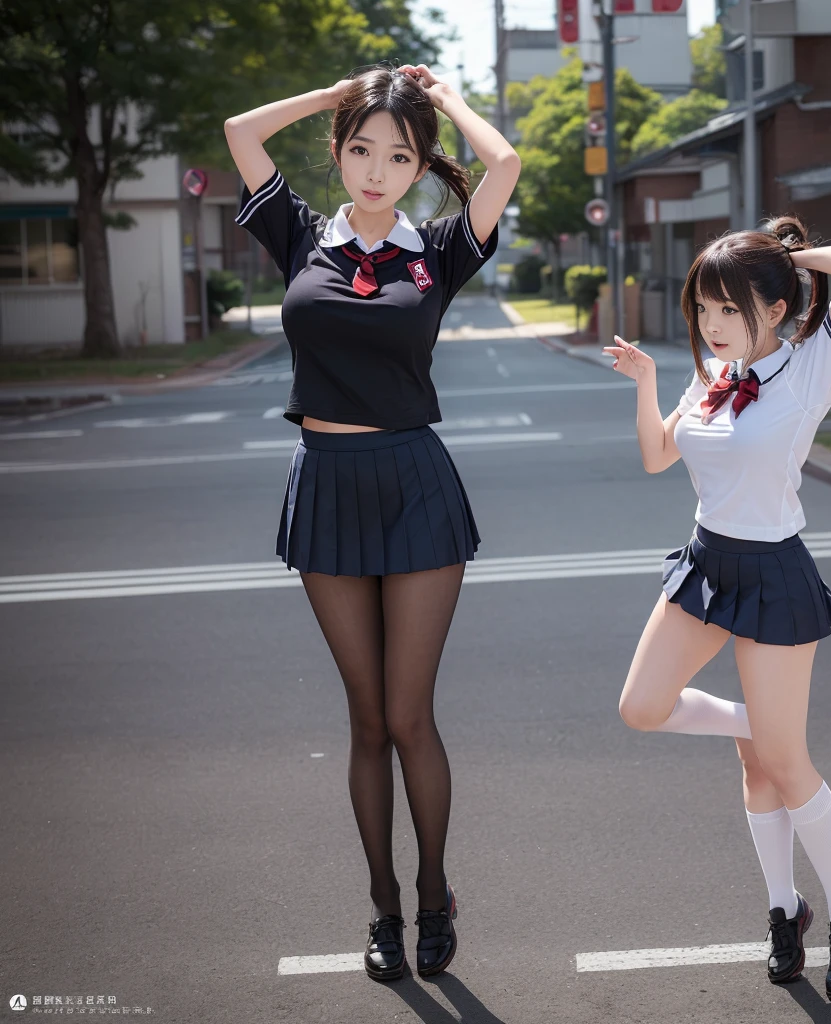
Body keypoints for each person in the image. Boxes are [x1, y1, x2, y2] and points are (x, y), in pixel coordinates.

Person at [224, 64, 520, 982]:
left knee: (407, 715)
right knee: (364, 723)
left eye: (399, 155)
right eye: (361, 150)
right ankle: (383, 907)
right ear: (341, 153)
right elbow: (240, 130)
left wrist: (441, 103)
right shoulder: (302, 234)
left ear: (420, 164)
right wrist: (333, 93)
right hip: (328, 484)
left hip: (414, 483)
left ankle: (435, 894)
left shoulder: (437, 246)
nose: (376, 170)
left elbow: (504, 163)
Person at [603, 217, 831, 1002]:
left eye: (728, 308)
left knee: (782, 768)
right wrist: (652, 379)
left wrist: (778, 255)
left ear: (777, 307)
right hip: (706, 564)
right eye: (705, 309)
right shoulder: (711, 374)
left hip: (775, 571)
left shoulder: (814, 366)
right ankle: (784, 892)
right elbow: (660, 454)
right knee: (642, 707)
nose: (713, 326)